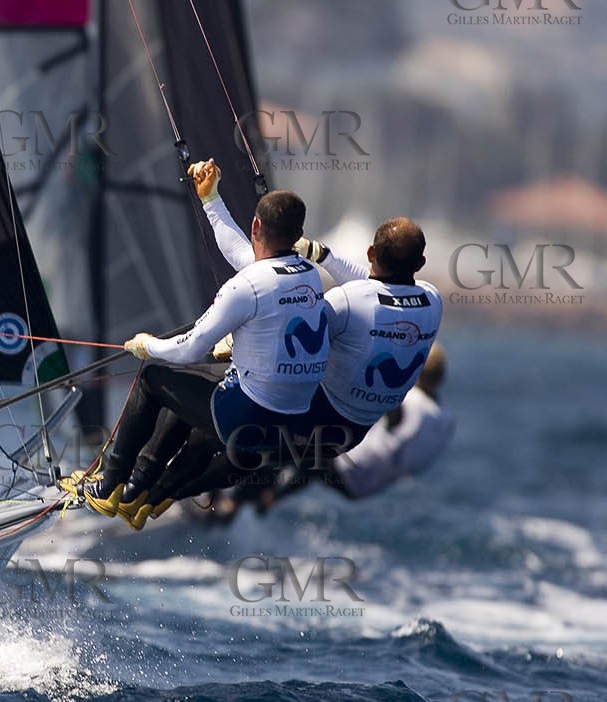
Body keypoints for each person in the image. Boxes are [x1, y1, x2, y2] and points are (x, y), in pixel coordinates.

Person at [64, 162, 329, 529]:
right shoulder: (308, 275)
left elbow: (188, 347)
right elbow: (246, 258)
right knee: (193, 384)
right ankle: (140, 491)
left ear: (256, 227)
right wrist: (211, 200)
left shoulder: (246, 286)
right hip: (289, 427)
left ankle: (108, 486)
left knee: (155, 380)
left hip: (251, 418)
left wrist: (148, 345)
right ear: (297, 236)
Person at [143, 209, 445, 513]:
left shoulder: (349, 302)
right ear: (420, 264)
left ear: (370, 253)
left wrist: (235, 338)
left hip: (313, 416)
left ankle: (148, 490)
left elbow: (299, 321)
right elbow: (380, 294)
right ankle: (173, 496)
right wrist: (323, 255)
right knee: (250, 452)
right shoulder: (433, 300)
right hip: (347, 437)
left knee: (216, 416)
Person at [194, 343, 454, 522]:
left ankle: (224, 498)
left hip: (349, 466)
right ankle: (262, 498)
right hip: (367, 484)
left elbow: (394, 412)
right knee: (307, 462)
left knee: (279, 445)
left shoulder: (411, 400)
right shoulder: (445, 421)